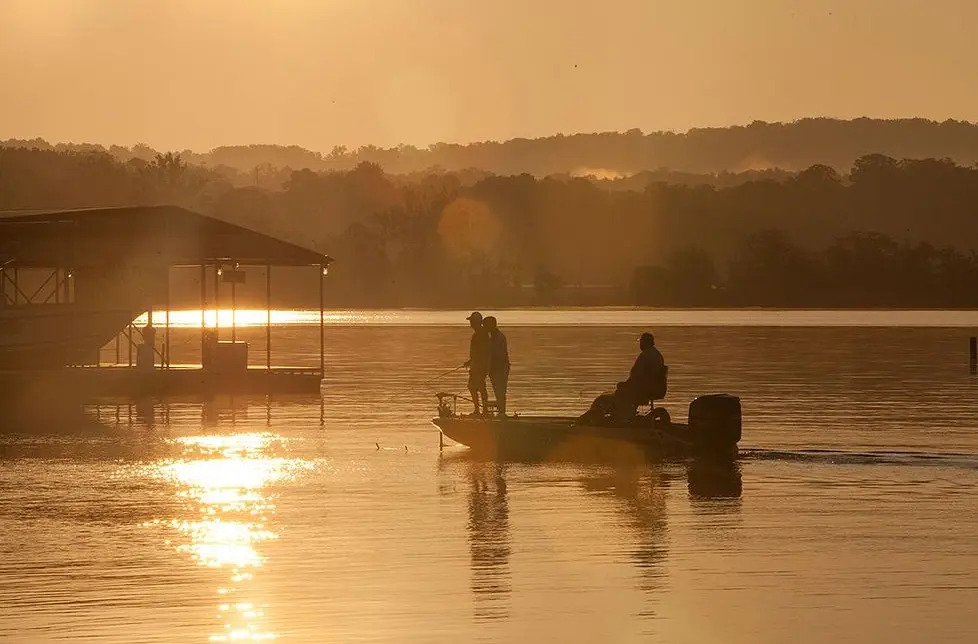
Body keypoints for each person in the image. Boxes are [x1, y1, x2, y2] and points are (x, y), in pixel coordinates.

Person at [579, 332, 667, 424]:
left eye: (641, 342)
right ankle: (628, 415)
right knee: (623, 389)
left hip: (644, 388)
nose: (640, 345)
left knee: (617, 393)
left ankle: (621, 417)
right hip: (653, 387)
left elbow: (636, 376)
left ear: (645, 343)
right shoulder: (657, 354)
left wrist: (625, 385)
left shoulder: (645, 355)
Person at [463, 311, 491, 416]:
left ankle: (479, 410)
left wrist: (474, 362)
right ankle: (482, 410)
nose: (470, 323)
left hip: (479, 366)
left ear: (476, 322)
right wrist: (470, 361)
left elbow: (482, 352)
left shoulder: (480, 334)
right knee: (479, 387)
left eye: (471, 321)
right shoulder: (482, 333)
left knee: (474, 387)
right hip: (479, 365)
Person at [483, 316, 510, 417]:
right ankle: (501, 412)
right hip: (495, 368)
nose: (484, 327)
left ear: (491, 325)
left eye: (485, 325)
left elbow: (498, 354)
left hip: (501, 368)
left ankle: (502, 413)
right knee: (498, 390)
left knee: (500, 391)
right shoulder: (492, 337)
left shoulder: (499, 337)